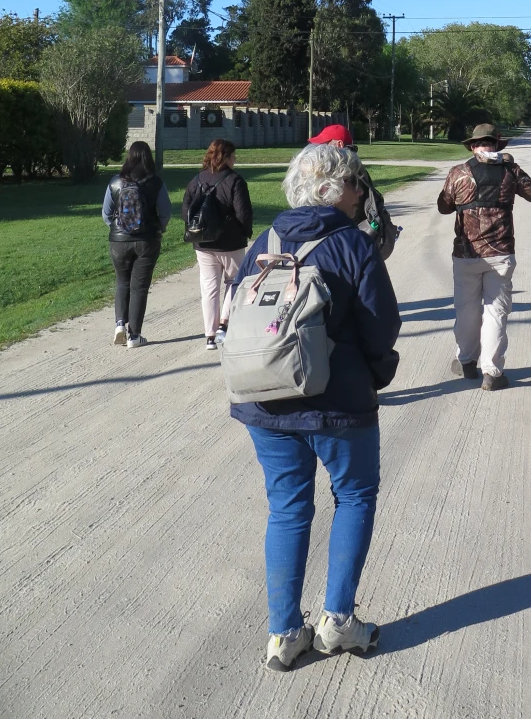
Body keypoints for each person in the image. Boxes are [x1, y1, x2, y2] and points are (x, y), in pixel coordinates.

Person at [229, 139, 401, 672]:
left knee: (287, 509)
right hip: (338, 404)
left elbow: (238, 309)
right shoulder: (353, 244)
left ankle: (283, 633)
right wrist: (375, 374)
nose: (360, 192)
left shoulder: (267, 238)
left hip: (265, 398)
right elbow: (382, 326)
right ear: (332, 189)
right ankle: (338, 621)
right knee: (354, 496)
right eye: (355, 182)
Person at [436, 123, 531, 391]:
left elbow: (443, 206)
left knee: (466, 309)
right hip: (500, 253)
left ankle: (465, 362)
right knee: (496, 313)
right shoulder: (511, 172)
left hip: (466, 253)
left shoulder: (458, 173)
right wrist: (513, 169)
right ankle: (492, 372)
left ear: (473, 146)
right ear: (496, 145)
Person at [181, 138, 254, 350]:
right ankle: (225, 324)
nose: (235, 159)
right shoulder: (235, 181)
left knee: (209, 287)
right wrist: (244, 233)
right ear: (227, 157)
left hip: (203, 243)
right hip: (230, 243)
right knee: (234, 282)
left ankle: (210, 335)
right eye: (233, 155)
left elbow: (186, 211)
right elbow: (243, 213)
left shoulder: (196, 180)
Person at [101, 139, 172, 349]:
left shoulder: (115, 181)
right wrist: (160, 228)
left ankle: (119, 325)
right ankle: (134, 336)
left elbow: (106, 214)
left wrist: (117, 229)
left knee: (122, 282)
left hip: (118, 241)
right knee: (139, 287)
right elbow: (166, 212)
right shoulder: (156, 182)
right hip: (147, 240)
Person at [308, 123, 400, 260]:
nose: (320, 150)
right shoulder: (351, 167)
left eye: (324, 144)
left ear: (339, 145)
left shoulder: (349, 173)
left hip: (352, 245)